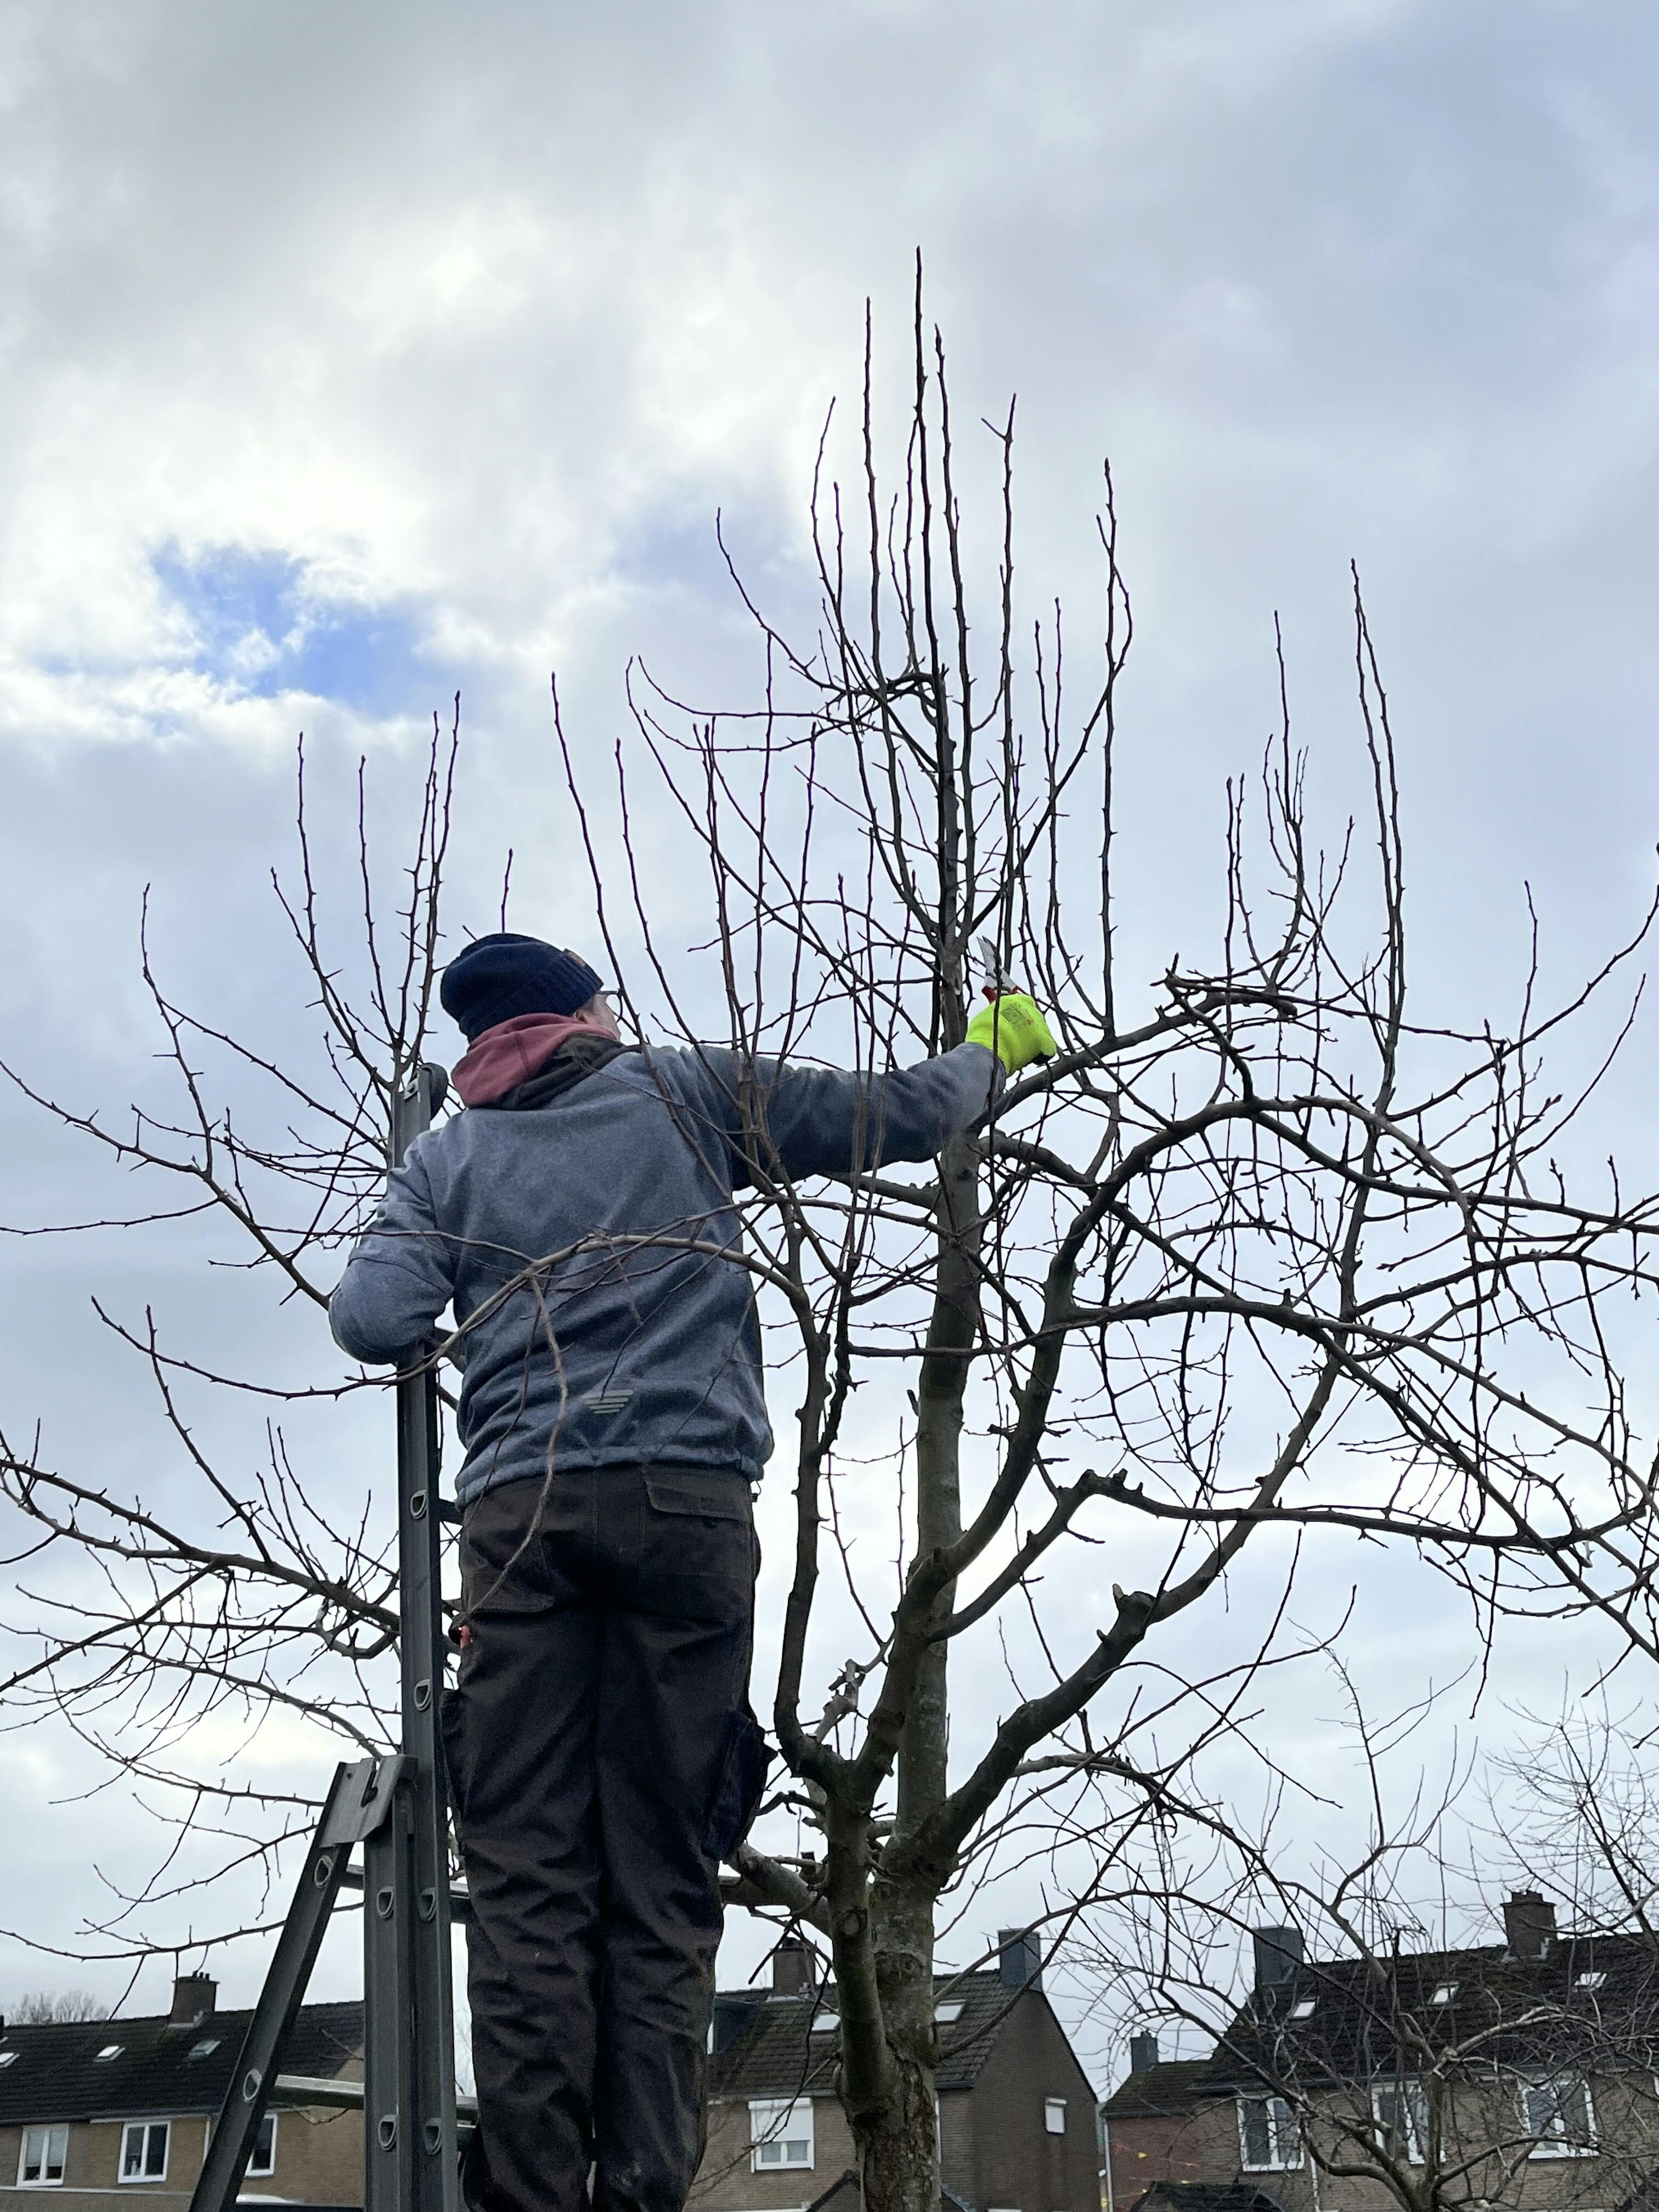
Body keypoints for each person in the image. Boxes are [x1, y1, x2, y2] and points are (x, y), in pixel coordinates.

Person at [328, 932, 1057, 2212]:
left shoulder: (448, 1159)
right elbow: (891, 1115)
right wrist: (990, 1051)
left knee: (528, 1890)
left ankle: (531, 2196)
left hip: (523, 1522)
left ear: (482, 1046)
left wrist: (461, 1254)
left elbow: (371, 1319)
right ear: (581, 1015)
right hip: (687, 1509)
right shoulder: (687, 1090)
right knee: (661, 1885)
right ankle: (644, 2191)